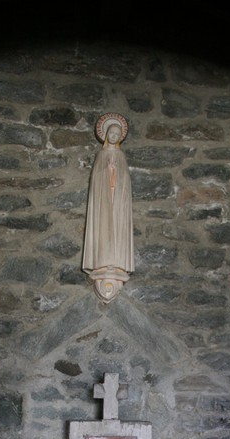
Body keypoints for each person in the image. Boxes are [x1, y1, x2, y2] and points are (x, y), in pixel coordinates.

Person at [82, 113, 134, 302]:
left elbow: (125, 183)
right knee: (103, 225)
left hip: (118, 202)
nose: (113, 136)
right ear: (106, 136)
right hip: (104, 201)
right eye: (111, 133)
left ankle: (117, 263)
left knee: (117, 227)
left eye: (116, 134)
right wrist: (107, 170)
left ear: (120, 137)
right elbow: (97, 180)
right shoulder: (101, 155)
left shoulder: (121, 156)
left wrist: (116, 172)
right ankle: (102, 261)